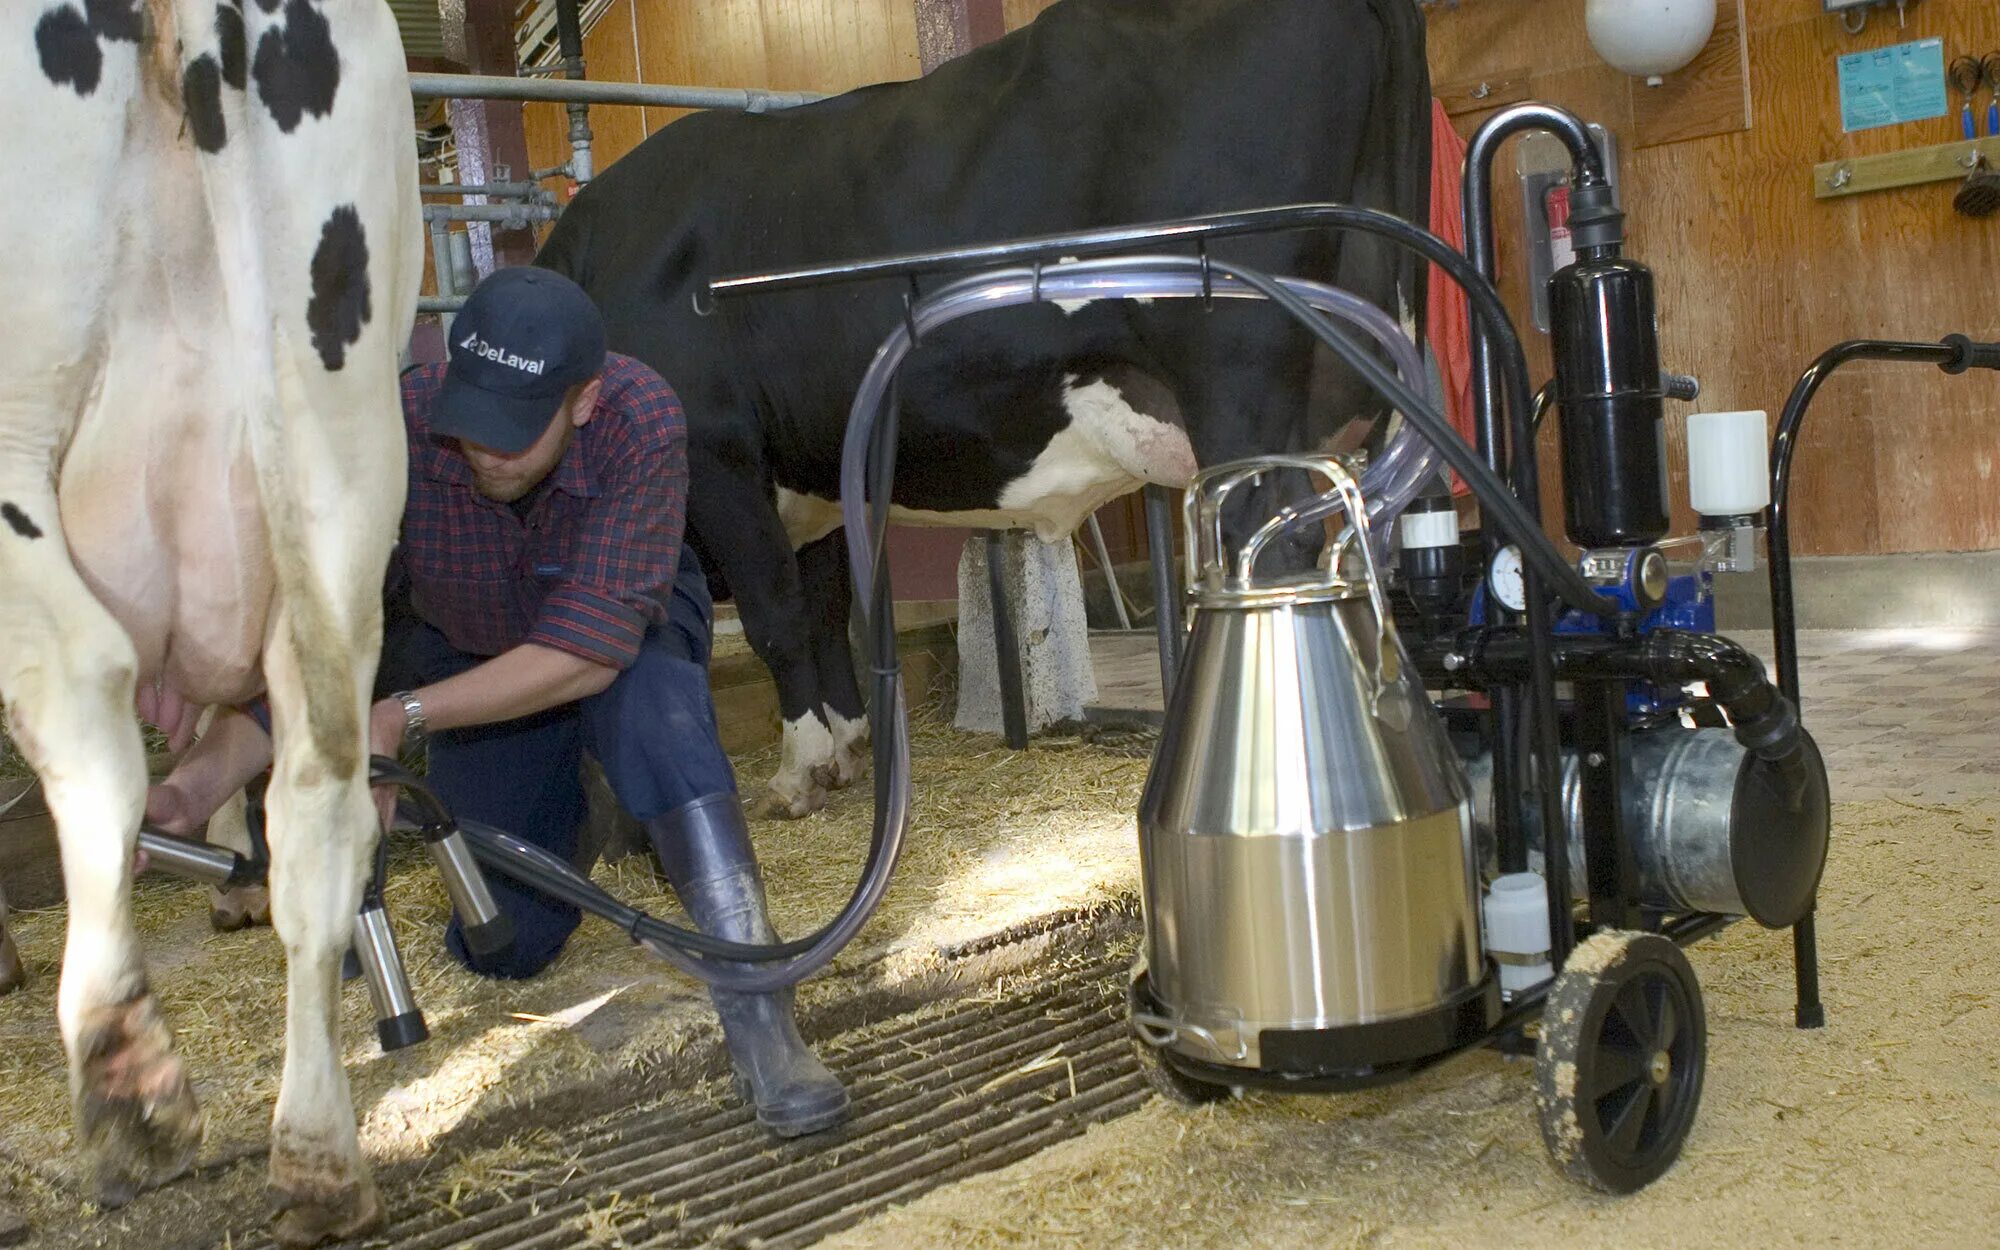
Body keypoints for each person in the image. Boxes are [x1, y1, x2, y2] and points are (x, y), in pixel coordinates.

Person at [146, 266, 848, 1138]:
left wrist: (400, 719)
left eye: (513, 434)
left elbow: (588, 653)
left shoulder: (641, 419)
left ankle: (762, 1019)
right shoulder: (403, 426)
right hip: (466, 651)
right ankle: (578, 812)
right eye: (471, 428)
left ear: (583, 401)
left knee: (655, 717)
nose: (483, 452)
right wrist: (194, 786)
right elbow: (326, 644)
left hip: (614, 640)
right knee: (507, 947)